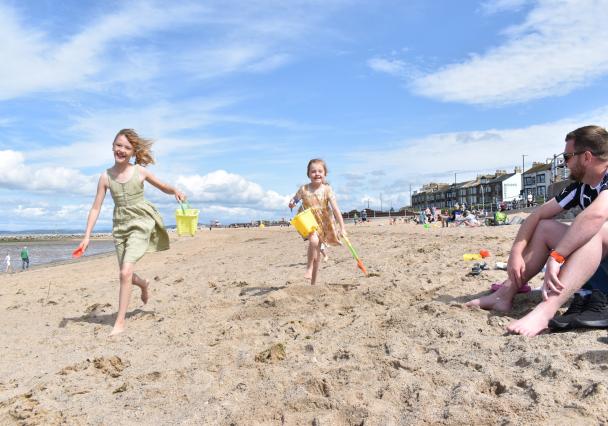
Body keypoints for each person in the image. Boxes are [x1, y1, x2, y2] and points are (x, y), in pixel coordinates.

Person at [466, 125, 608, 336]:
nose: (564, 163)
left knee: (598, 228)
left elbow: (596, 215)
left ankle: (546, 310)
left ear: (586, 157)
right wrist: (516, 252)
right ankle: (505, 294)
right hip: (598, 263)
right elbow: (537, 215)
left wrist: (558, 256)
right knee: (545, 227)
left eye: (568, 157)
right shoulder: (581, 187)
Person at [77, 129, 186, 336]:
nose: (121, 150)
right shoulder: (105, 177)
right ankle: (143, 284)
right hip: (120, 227)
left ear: (133, 151)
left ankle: (120, 322)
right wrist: (87, 236)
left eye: (127, 147)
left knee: (125, 273)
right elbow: (95, 208)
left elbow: (163, 186)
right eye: (118, 145)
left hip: (140, 222)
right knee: (125, 274)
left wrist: (176, 191)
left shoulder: (140, 172)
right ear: (112, 146)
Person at [288, 159, 346, 285]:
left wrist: (342, 227)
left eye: (320, 171)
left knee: (318, 256)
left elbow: (336, 209)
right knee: (313, 240)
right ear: (308, 174)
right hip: (308, 219)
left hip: (324, 222)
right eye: (313, 171)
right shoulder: (304, 189)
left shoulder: (327, 189)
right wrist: (292, 203)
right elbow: (296, 199)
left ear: (325, 173)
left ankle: (313, 283)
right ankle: (308, 267)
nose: (317, 174)